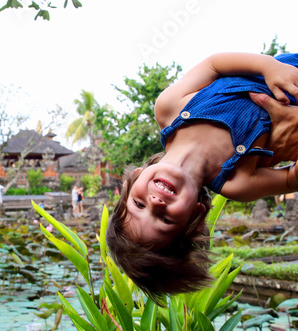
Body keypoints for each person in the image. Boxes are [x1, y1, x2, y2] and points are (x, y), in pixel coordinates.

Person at [107, 52, 298, 302]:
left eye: (139, 204)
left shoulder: (170, 108)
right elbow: (289, 179)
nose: (155, 202)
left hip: (284, 67)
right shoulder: (236, 181)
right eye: (164, 219)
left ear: (133, 178)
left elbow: (214, 65)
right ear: (196, 217)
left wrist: (268, 65)